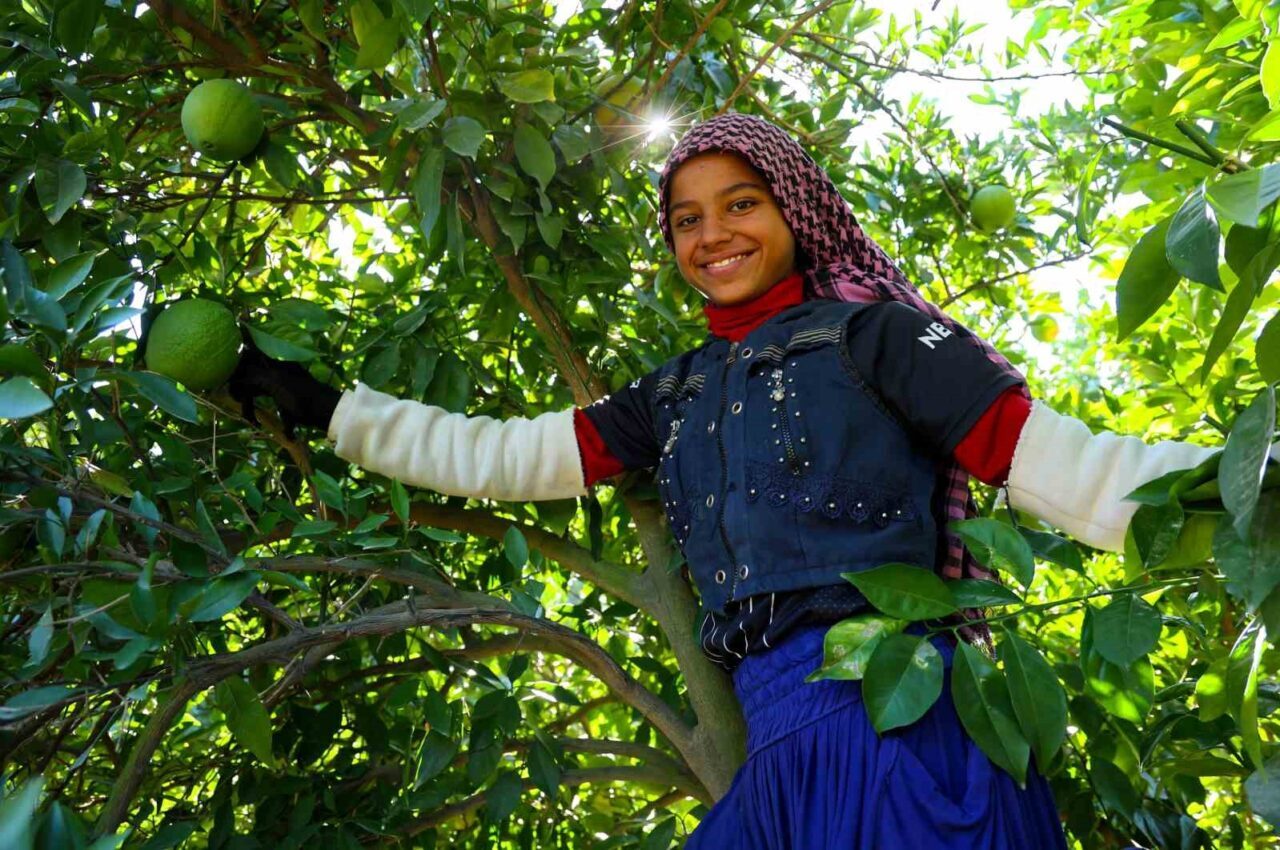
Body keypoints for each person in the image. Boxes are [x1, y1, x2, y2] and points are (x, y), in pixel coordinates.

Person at [228, 113, 1239, 847]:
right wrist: (331, 411)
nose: (711, 236)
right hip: (776, 745)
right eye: (684, 220)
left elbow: (1061, 466)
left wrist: (1246, 474)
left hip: (898, 722)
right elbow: (500, 456)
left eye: (739, 204)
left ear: (795, 209)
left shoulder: (877, 337)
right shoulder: (671, 396)